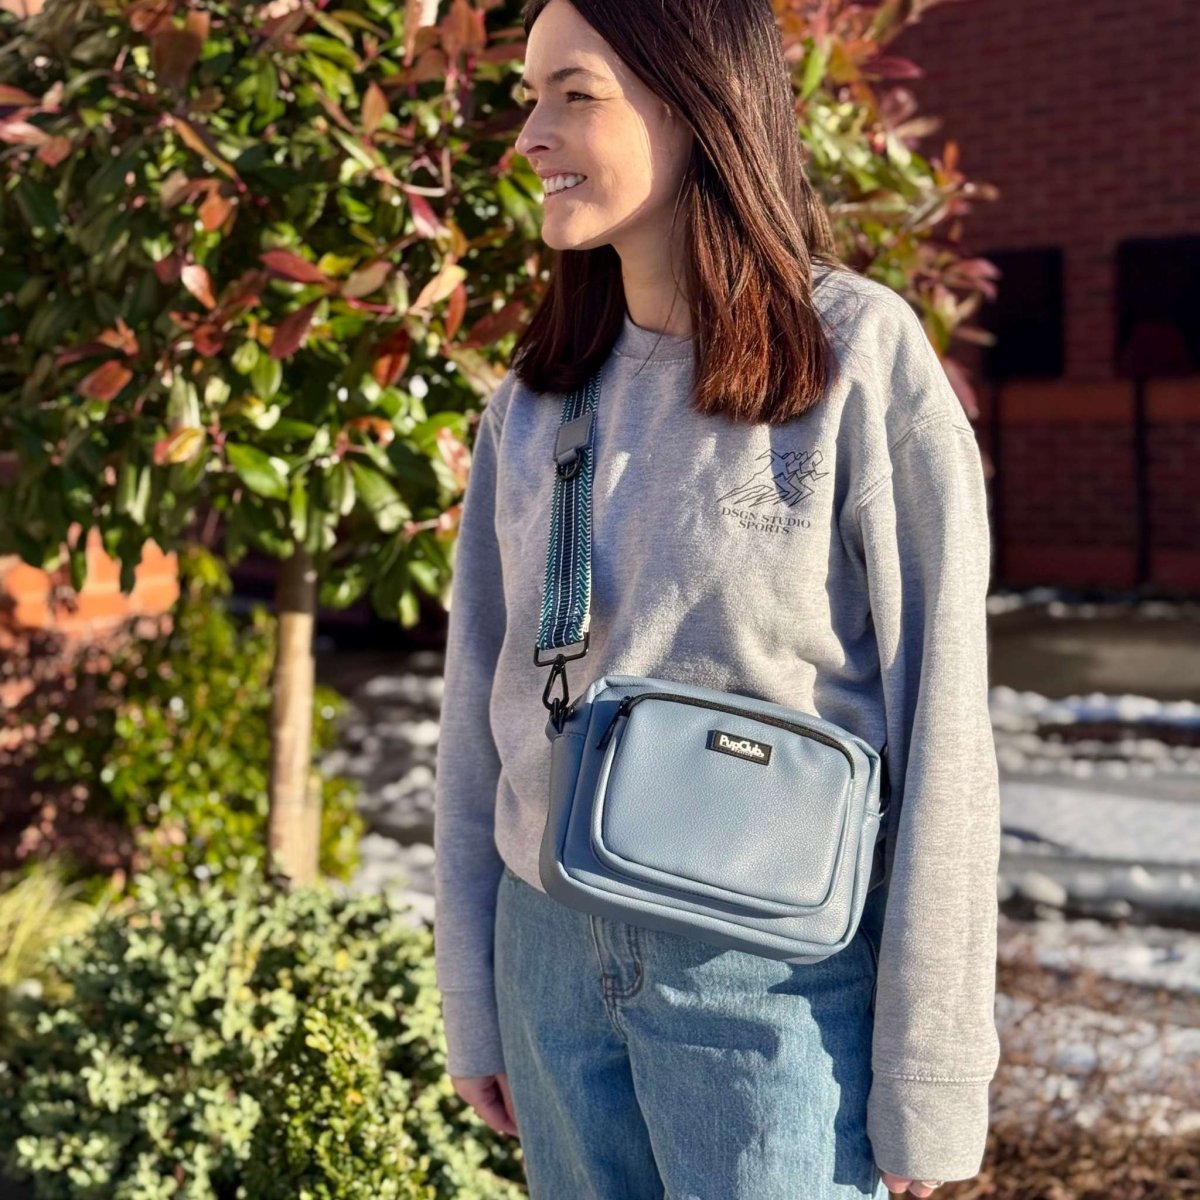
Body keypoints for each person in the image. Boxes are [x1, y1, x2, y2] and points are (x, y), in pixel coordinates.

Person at [432, 0, 1002, 1196]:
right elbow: (478, 720)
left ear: (699, 107)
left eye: (572, 95)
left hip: (773, 991)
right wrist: (479, 1004)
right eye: (527, 97)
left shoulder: (858, 361)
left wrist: (931, 1080)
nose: (529, 135)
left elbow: (947, 730)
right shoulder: (533, 404)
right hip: (548, 971)